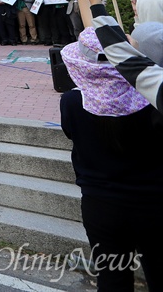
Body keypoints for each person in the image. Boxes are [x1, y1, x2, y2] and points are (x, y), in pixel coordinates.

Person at [59, 28, 162, 291]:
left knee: (112, 277)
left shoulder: (72, 101)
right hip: (153, 202)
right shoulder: (153, 98)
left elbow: (73, 134)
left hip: (100, 205)